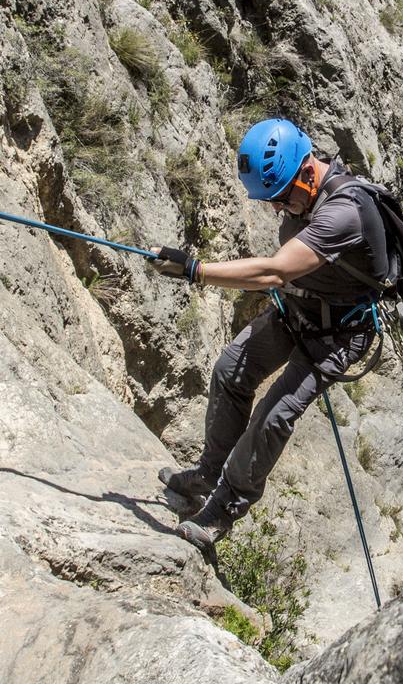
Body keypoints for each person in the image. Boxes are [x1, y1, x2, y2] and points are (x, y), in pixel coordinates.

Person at [151, 118, 384, 551]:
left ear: (307, 172)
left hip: (337, 334)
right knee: (229, 371)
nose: (277, 209)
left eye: (280, 199)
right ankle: (207, 475)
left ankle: (222, 509)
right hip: (299, 310)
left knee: (274, 416)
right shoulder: (303, 192)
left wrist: (195, 271)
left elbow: (275, 271)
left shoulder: (344, 212)